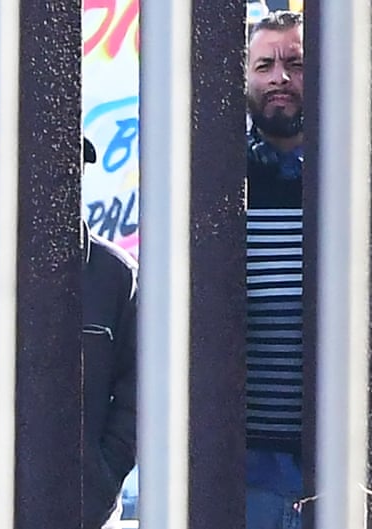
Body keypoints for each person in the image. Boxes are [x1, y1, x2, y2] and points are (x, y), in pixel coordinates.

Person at [0, 137, 137, 529]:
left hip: (77, 505)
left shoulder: (114, 274)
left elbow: (139, 391)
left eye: (66, 170)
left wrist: (101, 476)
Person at [244, 11, 304, 529]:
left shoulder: (354, 171)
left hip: (344, 464)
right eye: (265, 64)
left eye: (295, 62)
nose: (280, 77)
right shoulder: (223, 178)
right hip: (247, 470)